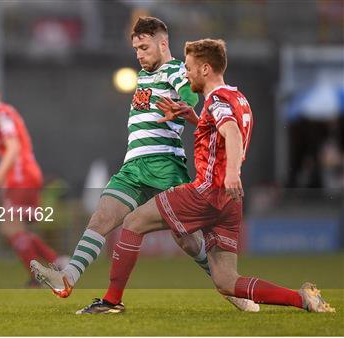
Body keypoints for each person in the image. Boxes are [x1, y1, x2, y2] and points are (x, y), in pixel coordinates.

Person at [76, 38, 335, 314]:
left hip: (207, 192)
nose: (185, 73)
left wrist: (233, 172)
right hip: (230, 202)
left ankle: (111, 301)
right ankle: (302, 299)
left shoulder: (217, 99)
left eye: (189, 68)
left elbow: (231, 132)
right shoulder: (237, 97)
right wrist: (192, 116)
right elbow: (219, 133)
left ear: (206, 69)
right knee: (226, 281)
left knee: (133, 221)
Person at [30, 17, 257, 312]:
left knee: (189, 242)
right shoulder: (142, 75)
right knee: (101, 218)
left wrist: (184, 108)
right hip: (134, 166)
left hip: (165, 165)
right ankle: (67, 278)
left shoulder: (176, 70)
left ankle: (230, 288)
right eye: (136, 48)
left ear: (163, 43)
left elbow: (194, 98)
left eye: (144, 47)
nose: (139, 53)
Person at [0, 79, 66, 286]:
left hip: (21, 175)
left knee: (10, 229)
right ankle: (56, 263)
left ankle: (44, 271)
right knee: (17, 230)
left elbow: (13, 147)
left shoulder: (2, 114)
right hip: (22, 175)